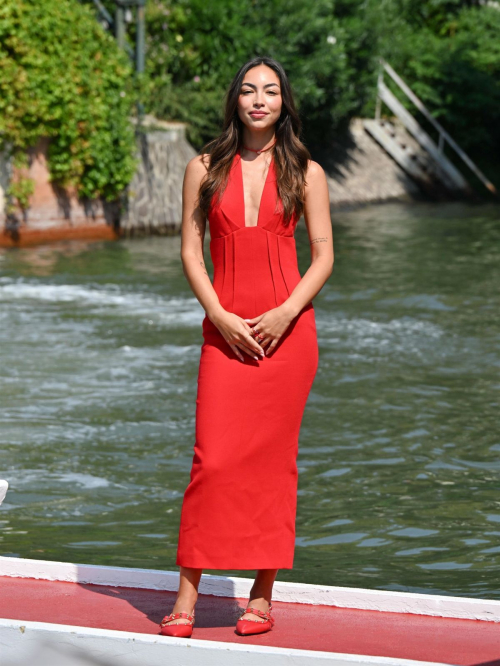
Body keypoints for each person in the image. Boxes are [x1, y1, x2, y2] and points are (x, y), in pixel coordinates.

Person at [159, 56, 334, 638]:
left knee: (273, 463)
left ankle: (261, 595)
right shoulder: (202, 167)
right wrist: (218, 315)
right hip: (224, 332)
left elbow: (324, 254)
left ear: (285, 102)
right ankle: (187, 594)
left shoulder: (306, 170)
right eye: (250, 90)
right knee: (212, 460)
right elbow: (190, 250)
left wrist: (287, 312)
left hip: (288, 334)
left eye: (273, 91)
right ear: (235, 98)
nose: (260, 99)